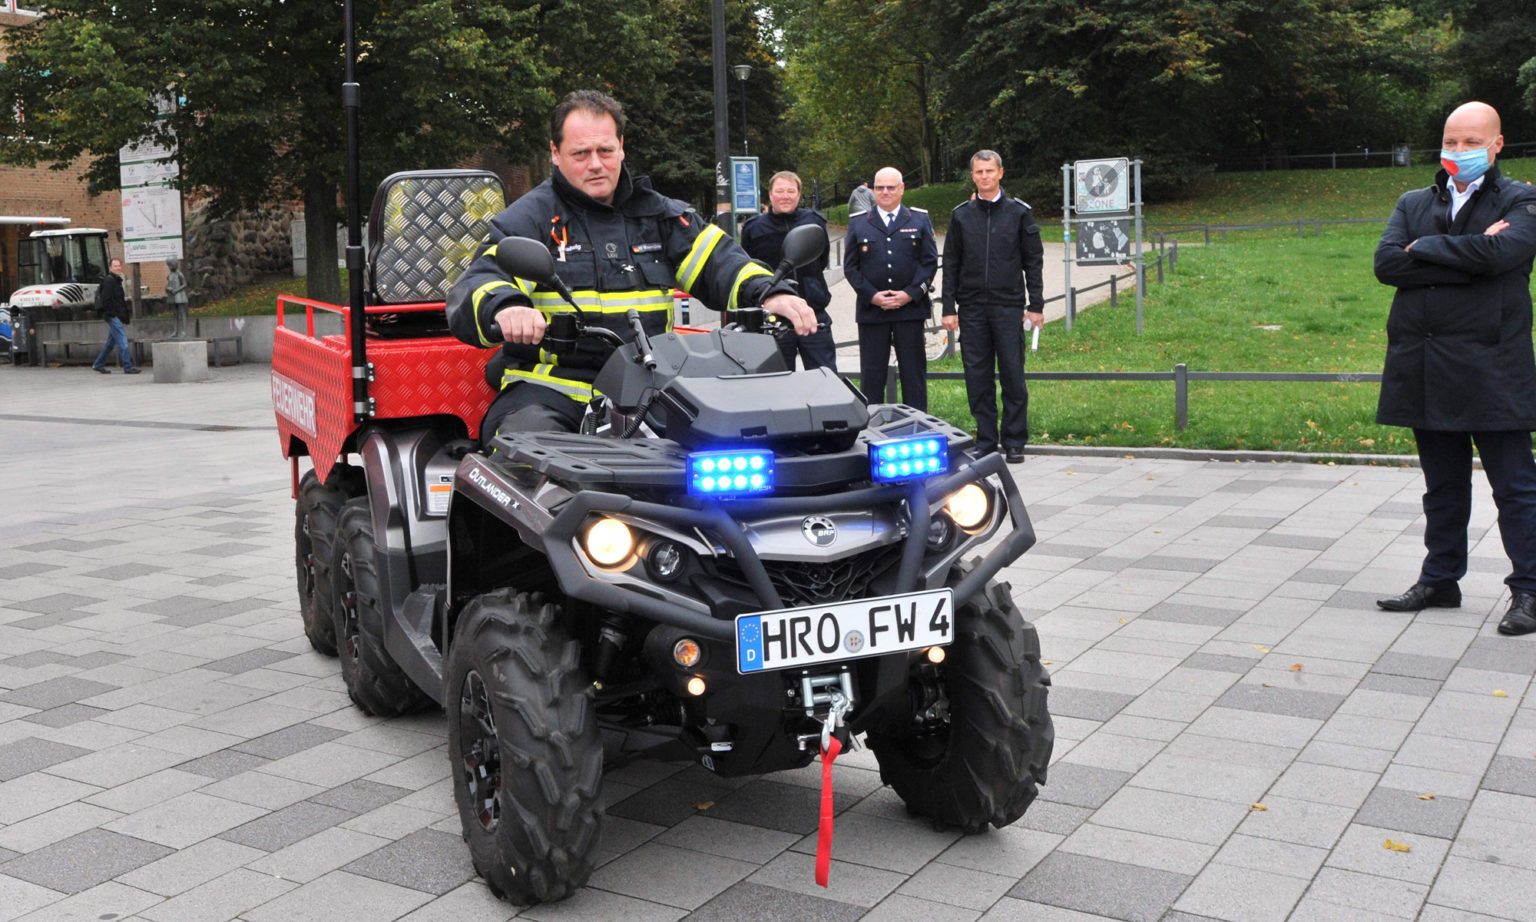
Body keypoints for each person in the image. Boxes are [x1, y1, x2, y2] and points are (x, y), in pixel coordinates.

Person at [446, 90, 817, 443]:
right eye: (580, 153)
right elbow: (480, 283)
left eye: (605, 150)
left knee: (751, 444)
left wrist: (772, 293)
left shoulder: (661, 216)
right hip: (553, 392)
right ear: (555, 153)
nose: (595, 164)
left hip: (653, 390)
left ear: (622, 148)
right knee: (527, 456)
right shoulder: (529, 220)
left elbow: (721, 262)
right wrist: (506, 307)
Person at [1373, 101, 1536, 636]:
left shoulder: (1522, 199)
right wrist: (1469, 256)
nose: (1458, 152)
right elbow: (1387, 264)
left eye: (1471, 142)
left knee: (1514, 486)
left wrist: (1429, 250)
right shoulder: (1413, 200)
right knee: (1441, 485)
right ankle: (1440, 578)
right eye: (1451, 141)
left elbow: (1506, 254)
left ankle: (1530, 589)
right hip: (1426, 363)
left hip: (1494, 368)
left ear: (1496, 144)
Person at [940, 150, 1044, 463]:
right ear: (972, 176)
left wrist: (1035, 305)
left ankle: (1014, 441)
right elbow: (951, 264)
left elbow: (1033, 262)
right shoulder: (961, 215)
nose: (984, 176)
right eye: (978, 172)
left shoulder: (1019, 213)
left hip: (1008, 305)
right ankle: (986, 439)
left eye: (989, 171)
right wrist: (948, 307)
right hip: (971, 308)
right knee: (977, 376)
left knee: (1013, 374)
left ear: (1000, 173)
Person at [843, 166, 937, 409]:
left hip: (910, 310)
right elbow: (851, 268)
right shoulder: (859, 223)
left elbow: (928, 263)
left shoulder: (918, 219)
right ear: (873, 190)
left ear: (902, 189)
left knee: (913, 375)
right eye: (879, 187)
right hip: (873, 312)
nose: (885, 192)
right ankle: (871, 431)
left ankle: (918, 429)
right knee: (872, 377)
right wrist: (872, 296)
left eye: (890, 187)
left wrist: (911, 294)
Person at [740, 171, 836, 370]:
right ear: (770, 194)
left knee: (825, 376)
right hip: (774, 319)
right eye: (780, 191)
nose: (785, 196)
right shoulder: (754, 228)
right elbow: (747, 268)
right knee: (777, 380)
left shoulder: (814, 222)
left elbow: (821, 259)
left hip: (812, 312)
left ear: (799, 195)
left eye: (791, 191)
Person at [91, 258, 140, 375]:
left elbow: (119, 301)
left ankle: (98, 364)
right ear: (110, 268)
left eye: (119, 265)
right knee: (123, 340)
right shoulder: (109, 281)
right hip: (113, 316)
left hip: (115, 315)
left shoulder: (116, 280)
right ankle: (128, 366)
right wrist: (112, 314)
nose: (118, 267)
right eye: (115, 266)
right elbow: (107, 300)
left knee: (111, 342)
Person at [165, 257, 190, 340]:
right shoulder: (170, 275)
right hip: (172, 297)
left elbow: (184, 284)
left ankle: (184, 331)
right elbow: (168, 285)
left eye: (170, 265)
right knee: (175, 314)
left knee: (182, 313)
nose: (169, 267)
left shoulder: (179, 274)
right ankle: (175, 331)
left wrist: (176, 290)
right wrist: (168, 289)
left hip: (180, 296)